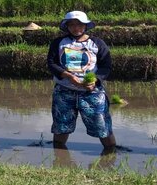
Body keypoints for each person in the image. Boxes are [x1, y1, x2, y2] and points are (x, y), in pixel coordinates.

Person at [46, 10, 116, 153]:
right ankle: (59, 158)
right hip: (64, 91)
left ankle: (111, 154)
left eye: (79, 25)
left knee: (102, 126)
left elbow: (106, 66)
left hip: (91, 92)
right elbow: (51, 63)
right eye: (71, 25)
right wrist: (68, 76)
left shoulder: (97, 43)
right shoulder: (58, 43)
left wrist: (95, 80)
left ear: (85, 26)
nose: (76, 28)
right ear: (66, 26)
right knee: (61, 126)